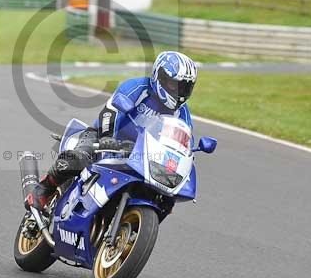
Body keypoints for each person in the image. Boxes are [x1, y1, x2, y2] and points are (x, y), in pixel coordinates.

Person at [27, 51, 197, 210]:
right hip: (104, 136)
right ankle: (43, 189)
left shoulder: (182, 113)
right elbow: (110, 112)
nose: (179, 92)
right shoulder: (138, 88)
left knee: (165, 199)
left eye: (184, 87)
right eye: (174, 84)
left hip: (141, 154)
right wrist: (107, 137)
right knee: (77, 160)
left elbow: (183, 142)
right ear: (159, 76)